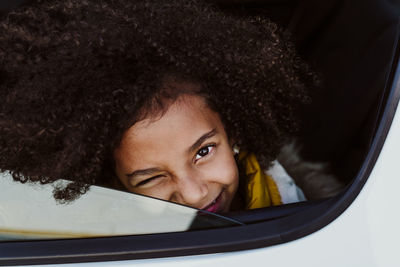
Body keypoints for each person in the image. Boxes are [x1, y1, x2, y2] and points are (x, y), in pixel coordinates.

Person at [0, 0, 315, 213]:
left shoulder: (295, 204)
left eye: (204, 151)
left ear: (231, 130)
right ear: (115, 182)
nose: (193, 194)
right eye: (151, 178)